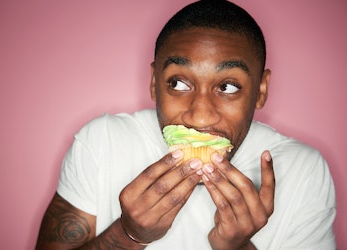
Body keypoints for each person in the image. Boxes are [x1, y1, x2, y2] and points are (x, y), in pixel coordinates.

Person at [36, 1, 336, 249]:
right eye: (178, 83)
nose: (200, 117)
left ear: (260, 90)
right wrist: (128, 234)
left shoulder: (303, 170)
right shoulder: (101, 141)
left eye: (229, 87)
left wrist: (239, 247)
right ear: (154, 83)